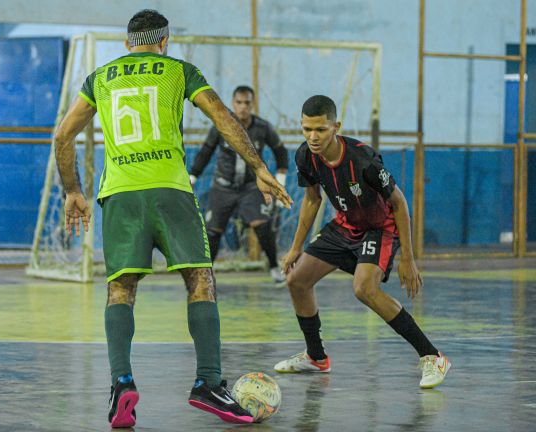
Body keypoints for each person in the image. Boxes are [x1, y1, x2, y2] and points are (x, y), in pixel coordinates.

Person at [53, 9, 292, 428]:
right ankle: (207, 383)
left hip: (121, 194)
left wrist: (73, 190)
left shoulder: (100, 78)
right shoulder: (179, 71)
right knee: (200, 278)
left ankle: (122, 383)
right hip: (171, 190)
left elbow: (62, 135)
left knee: (120, 288)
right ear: (165, 42)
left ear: (128, 44)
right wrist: (257, 166)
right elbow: (223, 116)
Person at [274, 95, 451, 389]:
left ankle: (432, 356)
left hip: (379, 228)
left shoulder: (362, 159)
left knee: (364, 289)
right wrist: (295, 247)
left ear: (336, 126)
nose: (312, 137)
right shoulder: (305, 155)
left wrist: (408, 257)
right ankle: (316, 358)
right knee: (297, 280)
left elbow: (399, 203)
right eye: (306, 129)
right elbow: (311, 200)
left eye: (320, 129)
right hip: (345, 225)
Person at [189, 85, 288, 282]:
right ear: (233, 103)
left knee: (262, 224)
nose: (243, 107)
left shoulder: (263, 127)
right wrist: (192, 177)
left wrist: (280, 181)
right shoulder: (221, 124)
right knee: (213, 231)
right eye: (239, 102)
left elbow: (281, 153)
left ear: (253, 105)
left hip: (251, 188)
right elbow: (206, 152)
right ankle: (206, 273)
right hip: (223, 187)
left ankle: (275, 267)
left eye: (247, 103)